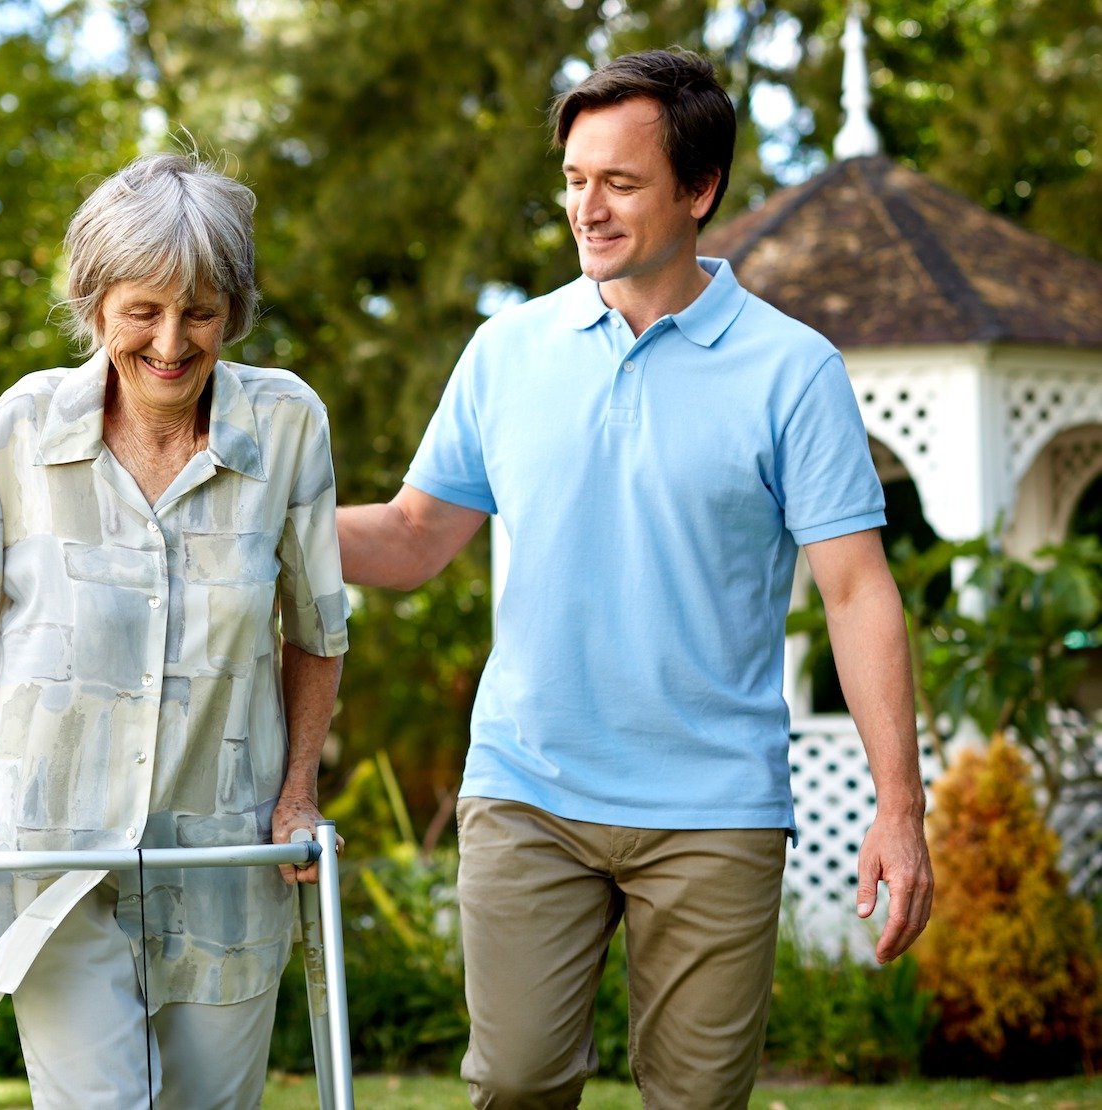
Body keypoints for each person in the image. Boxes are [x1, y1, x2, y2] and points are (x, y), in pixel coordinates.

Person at [337, 50, 933, 1108]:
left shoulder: (792, 370)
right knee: (516, 1084)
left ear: (699, 191)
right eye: (574, 179)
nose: (587, 207)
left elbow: (856, 591)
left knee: (696, 1102)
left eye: (619, 182)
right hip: (529, 788)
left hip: (713, 803)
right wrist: (253, 522)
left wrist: (899, 809)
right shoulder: (506, 351)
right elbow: (415, 537)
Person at [0, 151, 349, 1110]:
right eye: (144, 309)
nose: (172, 342)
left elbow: (315, 627)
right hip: (57, 867)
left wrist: (298, 789)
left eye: (202, 311)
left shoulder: (288, 425)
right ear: (95, 305)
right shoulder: (17, 434)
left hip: (223, 858)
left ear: (236, 312)